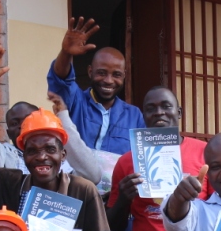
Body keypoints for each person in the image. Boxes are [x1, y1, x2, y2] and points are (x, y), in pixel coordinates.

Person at [107, 86, 212, 231]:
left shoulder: (204, 153)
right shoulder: (126, 161)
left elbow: (218, 210)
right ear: (143, 115)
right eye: (151, 108)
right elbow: (113, 225)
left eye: (166, 106)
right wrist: (124, 199)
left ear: (179, 113)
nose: (159, 113)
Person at [0, 46, 104, 186]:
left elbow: (93, 175)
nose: (22, 126)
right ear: (8, 132)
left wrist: (64, 120)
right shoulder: (0, 155)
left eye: (28, 119)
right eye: (15, 123)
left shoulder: (61, 158)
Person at [47, 16, 146, 155]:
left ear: (124, 75)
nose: (109, 80)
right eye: (101, 73)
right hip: (75, 177)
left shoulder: (134, 116)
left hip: (119, 178)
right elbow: (61, 79)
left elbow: (143, 158)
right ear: (90, 72)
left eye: (116, 75)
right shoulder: (76, 101)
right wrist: (66, 53)